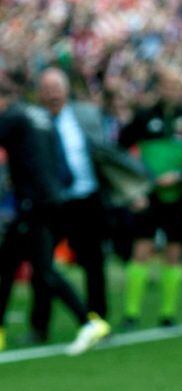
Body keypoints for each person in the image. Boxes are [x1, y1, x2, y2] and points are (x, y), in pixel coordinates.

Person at [0, 83, 109, 355]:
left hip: (32, 202)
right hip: (51, 198)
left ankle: (87, 321)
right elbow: (58, 157)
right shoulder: (39, 116)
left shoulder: (12, 118)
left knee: (43, 269)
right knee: (7, 264)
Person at [118, 66, 182, 328]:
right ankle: (131, 313)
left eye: (176, 85)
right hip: (148, 196)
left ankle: (168, 314)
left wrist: (181, 176)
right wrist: (138, 183)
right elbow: (120, 149)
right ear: (158, 87)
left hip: (179, 197)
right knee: (142, 249)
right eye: (167, 84)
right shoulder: (144, 117)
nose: (171, 90)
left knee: (174, 252)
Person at [30, 69, 113, 339]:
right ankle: (39, 326)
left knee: (93, 261)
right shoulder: (34, 120)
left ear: (66, 91)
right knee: (42, 265)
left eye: (57, 88)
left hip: (86, 197)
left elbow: (105, 153)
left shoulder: (86, 115)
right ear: (39, 94)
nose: (53, 94)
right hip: (51, 202)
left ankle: (98, 320)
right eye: (47, 89)